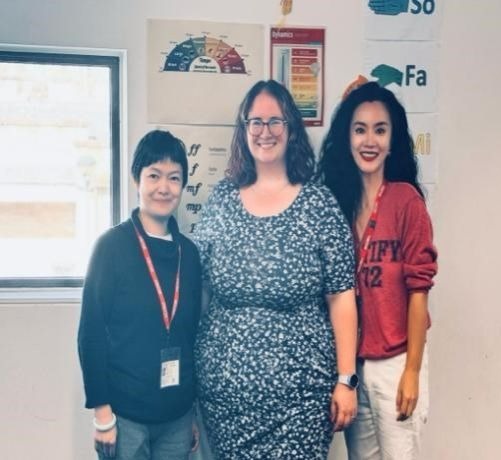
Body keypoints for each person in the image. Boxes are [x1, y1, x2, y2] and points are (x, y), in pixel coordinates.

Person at [193, 79, 358, 459]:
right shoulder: (222, 199)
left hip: (302, 400)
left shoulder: (318, 203)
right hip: (225, 400)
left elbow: (341, 297)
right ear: (244, 129)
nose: (264, 131)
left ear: (291, 128)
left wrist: (346, 379)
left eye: (275, 121)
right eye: (255, 121)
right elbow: (199, 290)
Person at [318, 80, 438, 460]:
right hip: (354, 365)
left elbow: (419, 291)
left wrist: (412, 372)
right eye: (360, 129)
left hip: (397, 361)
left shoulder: (406, 201)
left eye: (380, 130)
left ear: (392, 139)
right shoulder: (339, 203)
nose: (369, 141)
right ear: (347, 137)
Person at [78, 130, 202, 460]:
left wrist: (191, 412)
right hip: (125, 415)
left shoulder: (189, 254)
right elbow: (91, 333)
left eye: (174, 178)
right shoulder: (111, 247)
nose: (164, 187)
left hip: (177, 417)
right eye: (154, 175)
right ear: (137, 179)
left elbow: (191, 336)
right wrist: (102, 413)